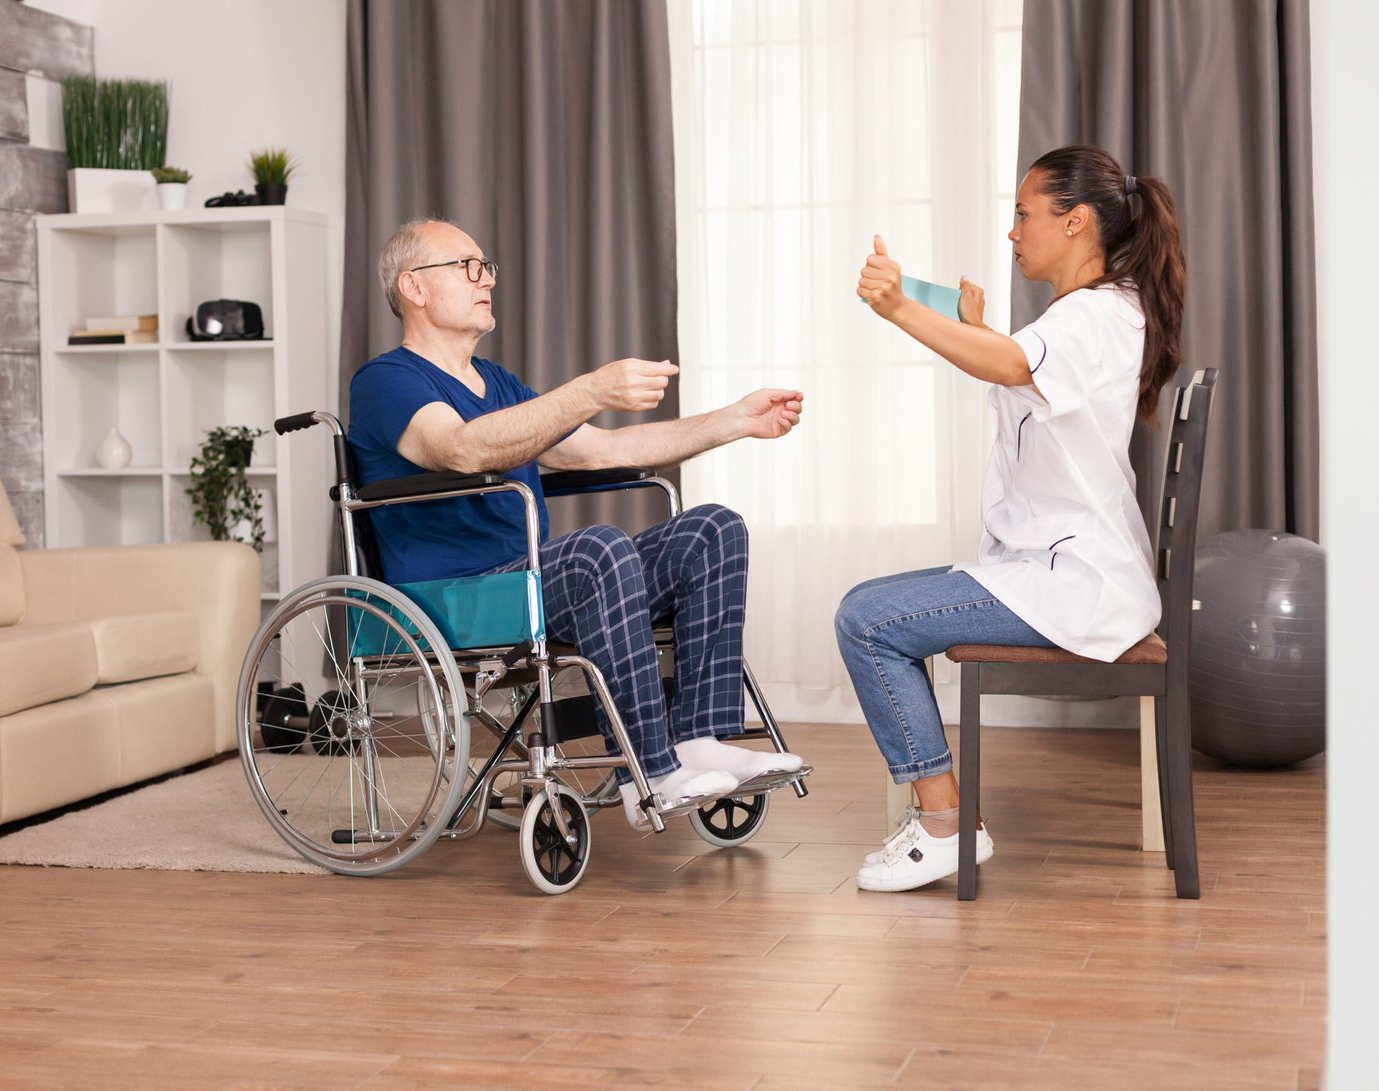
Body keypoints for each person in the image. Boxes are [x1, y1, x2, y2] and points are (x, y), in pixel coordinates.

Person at [349, 218, 807, 830]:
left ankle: (698, 740)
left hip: (530, 582)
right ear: (414, 287)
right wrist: (591, 389)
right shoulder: (385, 380)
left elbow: (600, 451)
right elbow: (460, 448)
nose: (486, 280)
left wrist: (735, 421)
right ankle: (650, 773)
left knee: (712, 530)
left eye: (487, 267)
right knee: (598, 549)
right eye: (468, 267)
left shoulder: (500, 385)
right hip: (457, 596)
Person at [836, 145, 1187, 891]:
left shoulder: (1096, 316)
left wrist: (899, 308)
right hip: (1058, 571)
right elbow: (1013, 362)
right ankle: (942, 819)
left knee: (866, 619)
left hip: (1075, 582)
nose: (1013, 232)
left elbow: (1008, 367)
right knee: (872, 611)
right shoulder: (1095, 313)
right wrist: (974, 326)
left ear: (1077, 220)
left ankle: (943, 827)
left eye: (1025, 214)